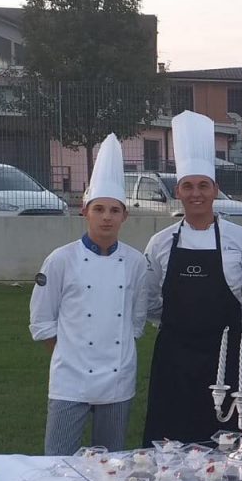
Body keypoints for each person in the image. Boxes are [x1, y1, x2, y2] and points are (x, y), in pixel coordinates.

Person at [142, 111, 242, 445]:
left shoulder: (241, 239)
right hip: (174, 357)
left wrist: (237, 321)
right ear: (178, 192)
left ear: (215, 190)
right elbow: (150, 298)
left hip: (227, 355)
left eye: (203, 186)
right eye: (188, 186)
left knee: (226, 441)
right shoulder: (162, 242)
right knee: (172, 439)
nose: (196, 193)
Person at [30, 134, 149, 455]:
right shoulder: (60, 260)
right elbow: (41, 322)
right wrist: (71, 355)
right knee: (57, 461)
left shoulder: (137, 263)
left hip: (117, 379)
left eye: (114, 210)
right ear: (85, 211)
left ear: (125, 215)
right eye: (99, 209)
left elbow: (137, 321)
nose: (107, 217)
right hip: (70, 381)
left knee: (110, 465)